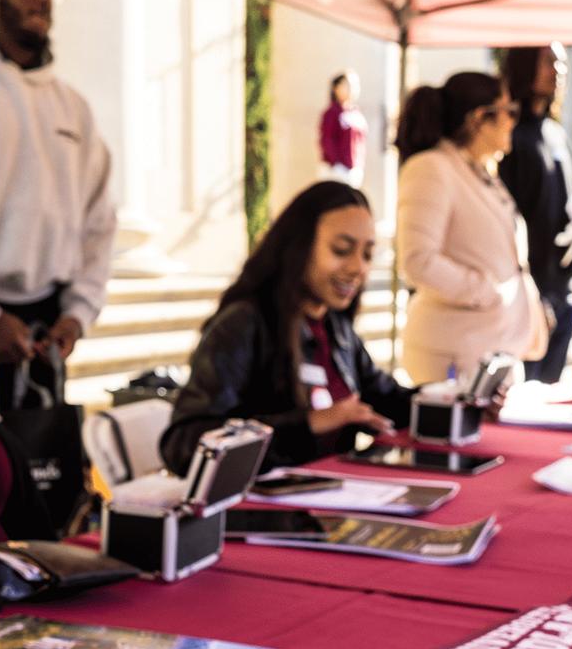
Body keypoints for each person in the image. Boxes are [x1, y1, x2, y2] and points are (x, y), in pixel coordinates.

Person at [160, 181, 412, 474]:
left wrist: (457, 401)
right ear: (299, 247)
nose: (359, 267)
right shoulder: (243, 324)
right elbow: (184, 444)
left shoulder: (336, 328)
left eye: (367, 254)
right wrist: (309, 423)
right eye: (341, 250)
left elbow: (389, 400)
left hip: (333, 501)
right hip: (265, 513)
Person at [0, 0, 116, 413]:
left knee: (42, 472)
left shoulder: (74, 108)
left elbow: (100, 221)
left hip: (45, 328)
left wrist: (79, 313)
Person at [395, 72, 547, 385]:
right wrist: (486, 292)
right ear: (479, 118)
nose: (513, 122)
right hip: (454, 355)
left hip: (496, 349)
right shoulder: (431, 168)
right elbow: (417, 260)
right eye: (509, 112)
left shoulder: (478, 171)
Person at [499, 44, 572, 382]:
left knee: (549, 393)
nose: (558, 70)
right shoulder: (510, 135)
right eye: (549, 61)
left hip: (565, 286)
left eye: (562, 62)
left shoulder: (555, 132)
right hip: (529, 291)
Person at [319, 71, 368, 188]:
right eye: (348, 85)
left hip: (354, 171)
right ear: (336, 88)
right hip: (336, 171)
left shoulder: (356, 113)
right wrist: (337, 165)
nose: (352, 89)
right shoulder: (332, 113)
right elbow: (327, 140)